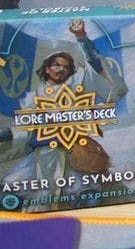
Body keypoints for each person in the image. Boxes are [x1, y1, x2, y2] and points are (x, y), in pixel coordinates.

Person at [0, 20, 128, 210]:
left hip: (75, 152)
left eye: (66, 66)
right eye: (56, 65)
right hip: (42, 155)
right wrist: (6, 134)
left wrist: (81, 37)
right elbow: (24, 128)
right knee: (11, 189)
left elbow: (95, 65)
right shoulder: (33, 97)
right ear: (47, 68)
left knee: (87, 194)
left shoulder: (78, 85)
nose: (61, 69)